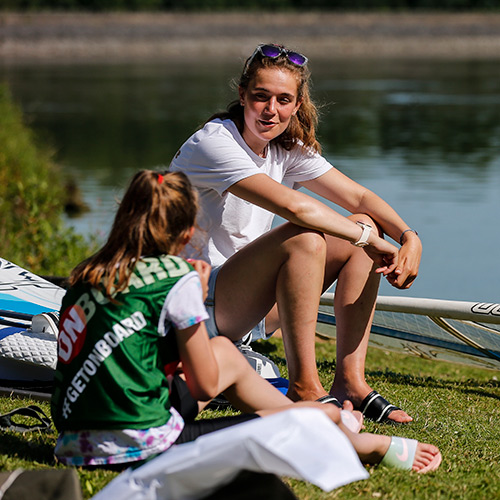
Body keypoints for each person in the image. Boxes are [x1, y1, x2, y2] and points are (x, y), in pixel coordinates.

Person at [50, 170, 440, 474]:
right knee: (305, 412)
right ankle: (364, 443)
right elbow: (204, 381)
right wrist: (192, 301)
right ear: (188, 232)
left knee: (223, 352)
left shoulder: (87, 275)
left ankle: (316, 412)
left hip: (70, 441)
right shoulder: (176, 277)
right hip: (138, 447)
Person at [170, 43, 423, 424]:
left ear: (297, 104)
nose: (271, 110)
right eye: (261, 97)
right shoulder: (213, 144)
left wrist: (408, 236)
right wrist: (371, 241)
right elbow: (295, 208)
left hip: (246, 306)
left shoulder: (285, 147)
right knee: (309, 237)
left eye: (283, 100)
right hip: (196, 305)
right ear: (242, 96)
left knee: (363, 225)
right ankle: (306, 386)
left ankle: (350, 383)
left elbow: (359, 196)